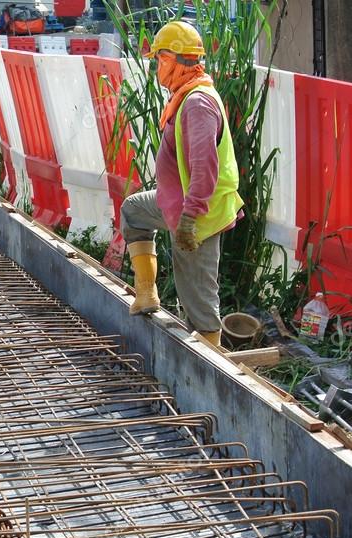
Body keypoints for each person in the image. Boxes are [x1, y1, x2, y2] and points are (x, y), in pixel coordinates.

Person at [121, 21, 243, 348]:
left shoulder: (197, 104)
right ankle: (146, 293)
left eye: (161, 60)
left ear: (178, 60)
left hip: (197, 215)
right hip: (175, 205)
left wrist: (190, 218)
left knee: (199, 302)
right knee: (133, 211)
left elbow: (205, 168)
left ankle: (211, 367)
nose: (157, 68)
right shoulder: (184, 96)